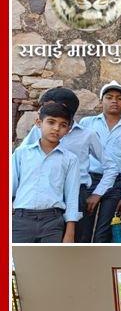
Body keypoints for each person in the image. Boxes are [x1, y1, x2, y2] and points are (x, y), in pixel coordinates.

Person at [20, 87, 116, 243]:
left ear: (65, 108)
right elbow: (21, 157)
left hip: (78, 196)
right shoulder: (39, 130)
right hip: (49, 196)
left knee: (76, 243)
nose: (44, 111)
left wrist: (97, 193)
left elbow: (111, 166)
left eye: (48, 106)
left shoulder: (87, 135)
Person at [78, 81, 121, 243]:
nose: (114, 101)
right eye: (109, 97)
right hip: (90, 179)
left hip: (116, 184)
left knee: (105, 231)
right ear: (101, 101)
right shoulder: (87, 124)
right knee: (83, 226)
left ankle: (100, 266)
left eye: (119, 98)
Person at [12, 102, 81, 243]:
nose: (56, 128)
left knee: (50, 263)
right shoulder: (22, 154)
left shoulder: (70, 159)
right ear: (38, 122)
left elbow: (72, 197)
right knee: (19, 263)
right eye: (51, 122)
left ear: (68, 129)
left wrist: (70, 232)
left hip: (53, 220)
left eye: (63, 125)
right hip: (21, 219)